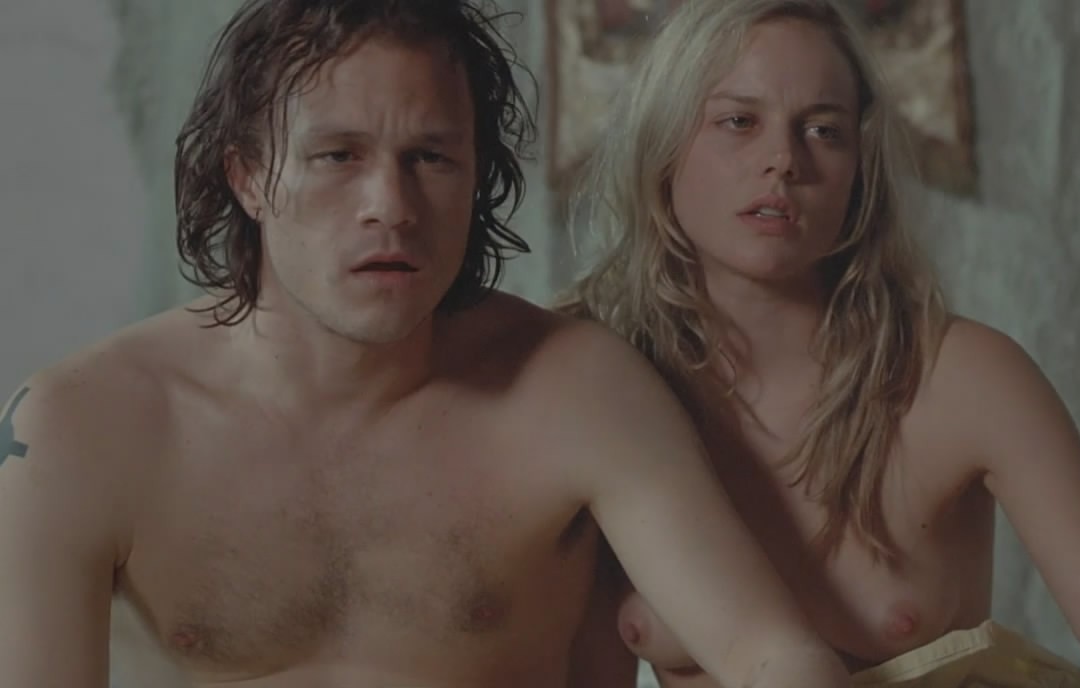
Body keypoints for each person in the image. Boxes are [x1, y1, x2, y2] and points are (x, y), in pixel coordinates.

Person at [0, 2, 858, 687]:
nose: (391, 206)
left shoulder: (574, 390)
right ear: (249, 176)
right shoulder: (81, 429)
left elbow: (771, 654)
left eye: (431, 159)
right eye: (338, 156)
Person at [558, 1, 1080, 687]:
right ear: (664, 143)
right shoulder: (592, 388)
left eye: (824, 131)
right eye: (739, 121)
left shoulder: (961, 379)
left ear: (861, 170)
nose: (783, 160)